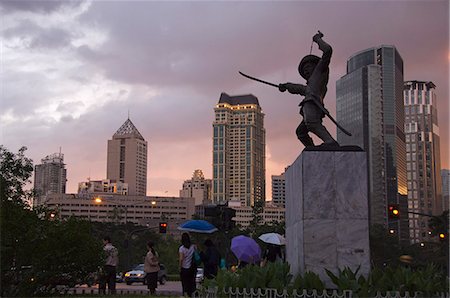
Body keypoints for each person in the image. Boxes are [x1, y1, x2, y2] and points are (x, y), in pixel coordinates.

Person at [278, 31, 339, 148]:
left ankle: (330, 142)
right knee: (301, 132)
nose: (305, 70)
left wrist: (318, 39)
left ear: (315, 66)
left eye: (308, 67)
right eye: (304, 69)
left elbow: (328, 51)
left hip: (313, 104)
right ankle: (311, 148)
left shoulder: (320, 72)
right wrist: (286, 86)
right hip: (310, 104)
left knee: (312, 123)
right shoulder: (311, 84)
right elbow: (301, 89)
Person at [179, 233, 197, 297]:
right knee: (191, 282)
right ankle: (191, 294)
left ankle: (185, 294)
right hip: (192, 268)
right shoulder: (193, 247)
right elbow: (196, 256)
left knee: (184, 283)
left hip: (184, 268)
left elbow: (181, 259)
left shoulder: (182, 248)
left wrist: (180, 267)